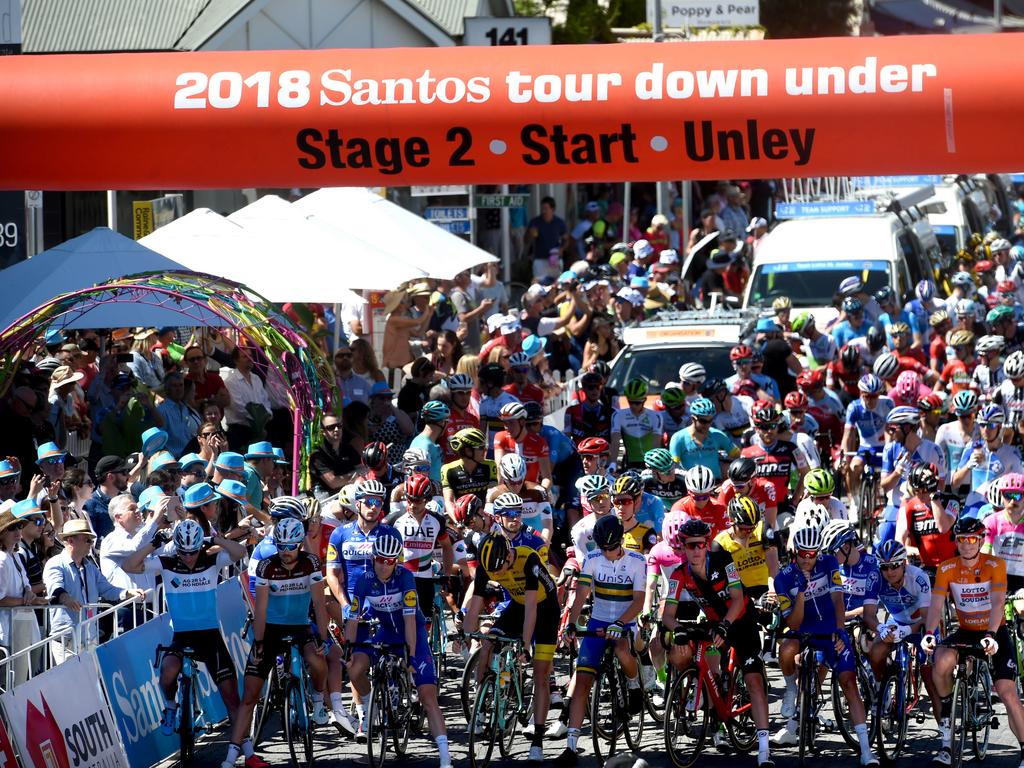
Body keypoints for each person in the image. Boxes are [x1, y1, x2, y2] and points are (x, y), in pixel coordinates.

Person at [662, 519, 774, 767]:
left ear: (706, 544)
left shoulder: (725, 563)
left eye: (700, 545)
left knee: (754, 680)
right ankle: (714, 714)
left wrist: (726, 624)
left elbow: (737, 599)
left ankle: (764, 749)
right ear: (682, 546)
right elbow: (667, 615)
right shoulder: (679, 574)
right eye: (690, 546)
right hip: (715, 624)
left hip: (741, 621)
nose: (695, 551)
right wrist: (678, 630)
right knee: (703, 661)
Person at [123, 519, 248, 741]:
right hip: (183, 636)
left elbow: (240, 552)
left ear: (200, 545)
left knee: (231, 699)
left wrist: (216, 539)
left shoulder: (211, 560)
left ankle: (245, 752)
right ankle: (170, 707)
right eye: (183, 552)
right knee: (168, 671)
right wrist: (154, 544)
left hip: (211, 636)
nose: (189, 558)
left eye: (192, 552)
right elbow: (129, 566)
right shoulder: (167, 563)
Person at [222, 519, 330, 768]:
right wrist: (259, 643)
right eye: (281, 546)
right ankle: (229, 759)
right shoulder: (267, 566)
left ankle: (316, 699)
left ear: (300, 544)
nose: (286, 552)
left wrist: (322, 637)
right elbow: (260, 610)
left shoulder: (310, 563)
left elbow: (319, 605)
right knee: (249, 695)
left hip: (300, 626)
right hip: (270, 630)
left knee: (317, 659)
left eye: (292, 546)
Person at [772, 526, 878, 766]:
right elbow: (793, 622)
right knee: (786, 649)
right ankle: (791, 690)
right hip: (804, 630)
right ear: (794, 552)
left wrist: (840, 631)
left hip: (831, 630)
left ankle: (865, 750)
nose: (808, 559)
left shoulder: (829, 562)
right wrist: (800, 592)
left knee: (849, 682)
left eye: (813, 554)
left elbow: (837, 599)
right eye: (802, 554)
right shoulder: (783, 578)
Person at [923, 516, 1024, 768]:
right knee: (942, 659)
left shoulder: (995, 564)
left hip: (994, 631)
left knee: (1007, 692)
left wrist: (990, 634)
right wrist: (929, 633)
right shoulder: (946, 568)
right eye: (961, 539)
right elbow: (936, 604)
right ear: (956, 541)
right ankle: (946, 737)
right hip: (967, 630)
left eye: (971, 539)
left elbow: (999, 602)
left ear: (980, 540)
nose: (966, 544)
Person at [344, 531, 452, 767]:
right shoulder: (364, 580)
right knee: (354, 670)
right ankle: (372, 704)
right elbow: (352, 619)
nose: (385, 566)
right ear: (373, 558)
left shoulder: (405, 578)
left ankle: (445, 757)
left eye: (391, 561)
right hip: (384, 632)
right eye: (381, 560)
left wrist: (411, 656)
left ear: (397, 561)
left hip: (412, 633)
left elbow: (411, 621)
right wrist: (348, 651)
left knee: (427, 696)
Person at [556, 515, 647, 767]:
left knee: (621, 649)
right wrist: (572, 624)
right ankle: (571, 747)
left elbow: (639, 600)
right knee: (582, 680)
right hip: (597, 623)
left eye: (612, 548)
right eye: (603, 548)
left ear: (621, 541)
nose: (607, 553)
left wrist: (620, 623)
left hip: (625, 620)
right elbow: (582, 593)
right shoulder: (593, 560)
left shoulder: (637, 561)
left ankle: (633, 684)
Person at [44, 519, 145, 663]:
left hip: (89, 638)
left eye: (91, 540)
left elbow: (107, 589)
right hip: (67, 639)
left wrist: (128, 592)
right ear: (71, 540)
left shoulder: (90, 567)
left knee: (91, 683)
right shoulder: (55, 564)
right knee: (71, 684)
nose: (91, 544)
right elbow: (55, 588)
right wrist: (66, 598)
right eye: (87, 540)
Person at [868, 540, 940, 718]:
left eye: (894, 566)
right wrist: (880, 627)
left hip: (921, 624)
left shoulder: (918, 577)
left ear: (904, 563)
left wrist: (908, 631)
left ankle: (945, 730)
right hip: (896, 621)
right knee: (875, 651)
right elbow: (868, 614)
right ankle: (880, 689)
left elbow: (926, 617)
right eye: (884, 567)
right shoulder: (875, 578)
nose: (889, 572)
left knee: (930, 675)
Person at [878, 406, 947, 544]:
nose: (890, 434)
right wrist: (897, 472)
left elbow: (942, 487)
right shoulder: (890, 448)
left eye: (893, 429)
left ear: (908, 428)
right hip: (896, 505)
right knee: (883, 540)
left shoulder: (934, 450)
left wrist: (927, 480)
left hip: (924, 507)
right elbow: (883, 487)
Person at [952, 404, 1022, 516]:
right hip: (974, 504)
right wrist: (968, 466)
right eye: (982, 425)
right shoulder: (972, 447)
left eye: (991, 425)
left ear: (999, 427)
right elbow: (955, 483)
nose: (985, 430)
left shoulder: (1012, 453)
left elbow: (1020, 488)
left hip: (999, 507)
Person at [842, 374, 894, 516]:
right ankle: (856, 501)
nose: (871, 401)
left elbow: (892, 429)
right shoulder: (854, 407)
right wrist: (844, 456)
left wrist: (889, 449)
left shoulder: (887, 404)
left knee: (891, 472)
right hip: (866, 447)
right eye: (867, 396)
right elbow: (847, 435)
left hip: (884, 446)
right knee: (853, 467)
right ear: (860, 393)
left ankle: (890, 502)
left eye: (874, 396)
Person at [488, 454, 553, 544]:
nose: (516, 486)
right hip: (507, 543)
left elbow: (548, 527)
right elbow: (489, 526)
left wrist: (543, 548)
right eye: (512, 482)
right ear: (504, 478)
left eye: (519, 481)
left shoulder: (539, 491)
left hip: (536, 541)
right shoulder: (493, 494)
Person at [668, 396, 739, 480]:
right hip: (691, 485)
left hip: (716, 484)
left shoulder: (718, 435)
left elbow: (737, 455)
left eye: (710, 420)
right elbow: (673, 467)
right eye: (703, 421)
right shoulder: (678, 438)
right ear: (693, 419)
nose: (708, 425)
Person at [220, 346, 273, 451]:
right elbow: (238, 407)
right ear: (236, 360)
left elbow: (265, 401)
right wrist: (258, 418)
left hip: (260, 430)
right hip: (240, 431)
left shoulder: (256, 379)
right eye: (245, 356)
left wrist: (266, 416)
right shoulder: (231, 381)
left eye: (250, 355)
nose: (249, 358)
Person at [493, 401, 552, 488]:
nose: (507, 427)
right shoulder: (500, 437)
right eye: (505, 423)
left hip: (532, 490)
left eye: (511, 423)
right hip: (509, 490)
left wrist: (542, 493)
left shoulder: (539, 442)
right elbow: (499, 470)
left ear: (522, 422)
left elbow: (547, 477)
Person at [609, 378, 662, 470]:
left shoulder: (655, 416)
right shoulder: (618, 415)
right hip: (630, 462)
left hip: (651, 462)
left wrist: (655, 465)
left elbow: (656, 443)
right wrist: (613, 463)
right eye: (630, 402)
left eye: (637, 403)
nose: (633, 406)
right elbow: (615, 441)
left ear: (644, 400)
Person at [440, 427, 496, 513]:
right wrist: (458, 521)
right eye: (481, 447)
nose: (485, 450)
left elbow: (492, 497)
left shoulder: (490, 466)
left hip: (485, 516)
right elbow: (449, 501)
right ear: (468, 451)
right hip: (460, 516)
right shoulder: (448, 469)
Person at [526, 195, 568, 280]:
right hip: (540, 259)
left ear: (552, 209)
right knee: (538, 287)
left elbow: (566, 239)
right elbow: (525, 240)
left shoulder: (559, 222)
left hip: (555, 259)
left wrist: (562, 249)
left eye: (546, 208)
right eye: (542, 208)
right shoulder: (535, 222)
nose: (543, 211)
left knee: (557, 286)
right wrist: (530, 234)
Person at [409, 400, 450, 484]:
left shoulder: (428, 443)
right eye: (447, 421)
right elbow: (418, 481)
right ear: (441, 422)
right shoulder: (423, 445)